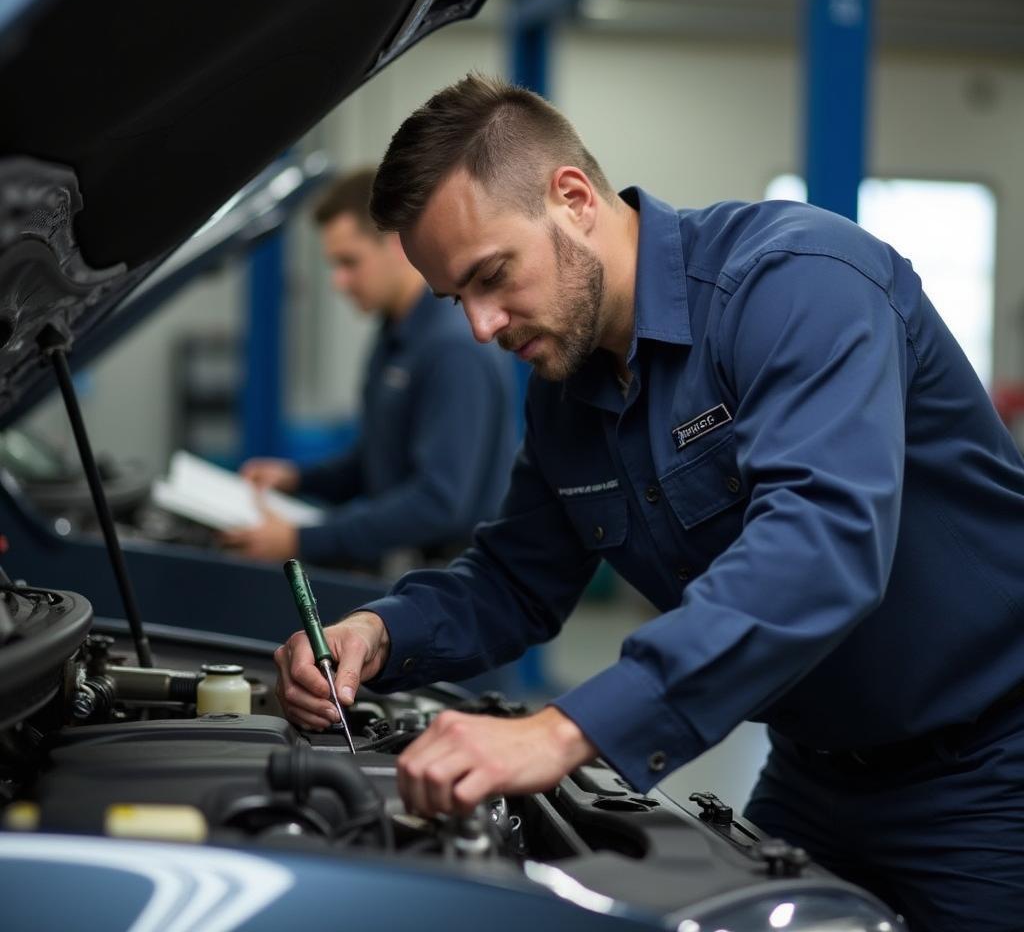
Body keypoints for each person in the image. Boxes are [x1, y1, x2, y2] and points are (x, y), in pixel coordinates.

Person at [273, 76, 1024, 930]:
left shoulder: (795, 284)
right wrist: (377, 631)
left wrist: (562, 731)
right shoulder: (568, 390)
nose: (482, 327)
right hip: (817, 773)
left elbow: (821, 550)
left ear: (573, 198)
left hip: (988, 772)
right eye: (457, 300)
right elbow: (515, 580)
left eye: (491, 276)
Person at [227, 166, 518, 573]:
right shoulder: (395, 334)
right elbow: (377, 463)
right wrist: (297, 479)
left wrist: (301, 539)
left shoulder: (452, 348)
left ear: (398, 245)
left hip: (463, 588)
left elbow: (439, 502)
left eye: (349, 262)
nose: (339, 282)